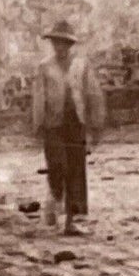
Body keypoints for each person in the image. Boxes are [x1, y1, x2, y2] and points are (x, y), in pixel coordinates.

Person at [32, 19, 106, 236]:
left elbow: (93, 94)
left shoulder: (81, 66)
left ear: (70, 45)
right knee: (57, 166)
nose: (60, 47)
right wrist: (38, 124)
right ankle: (53, 204)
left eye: (64, 43)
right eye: (56, 43)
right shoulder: (45, 67)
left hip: (75, 123)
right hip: (53, 125)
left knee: (75, 170)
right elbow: (39, 97)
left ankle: (70, 221)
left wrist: (96, 123)